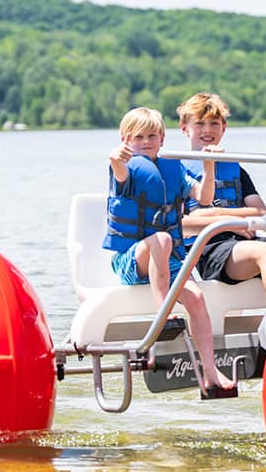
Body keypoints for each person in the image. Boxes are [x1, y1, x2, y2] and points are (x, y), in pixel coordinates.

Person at [103, 107, 234, 392]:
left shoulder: (174, 170)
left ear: (162, 138)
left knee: (197, 298)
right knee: (161, 240)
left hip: (170, 263)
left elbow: (205, 197)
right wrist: (116, 159)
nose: (146, 141)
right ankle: (162, 312)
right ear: (126, 140)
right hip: (132, 261)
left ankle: (211, 373)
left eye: (152, 135)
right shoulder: (126, 170)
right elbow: (119, 171)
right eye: (139, 137)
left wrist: (209, 165)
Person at [176, 92, 266, 299]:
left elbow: (260, 212)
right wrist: (231, 222)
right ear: (184, 129)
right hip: (210, 250)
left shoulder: (235, 170)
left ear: (223, 128)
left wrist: (216, 214)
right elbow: (182, 223)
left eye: (214, 123)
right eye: (199, 124)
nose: (207, 130)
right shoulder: (178, 171)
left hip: (245, 240)